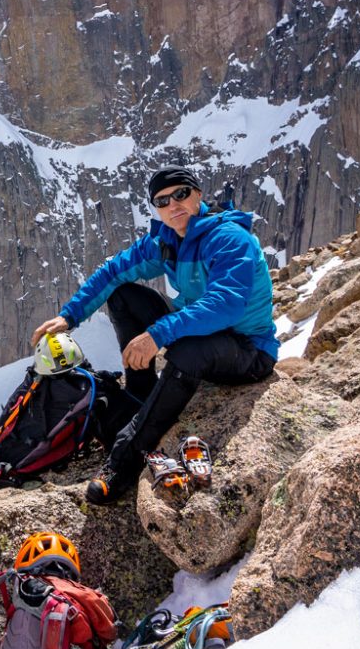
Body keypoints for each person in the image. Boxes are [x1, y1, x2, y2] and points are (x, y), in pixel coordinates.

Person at [31, 165, 278, 505]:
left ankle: (124, 460)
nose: (173, 205)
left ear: (198, 195)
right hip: (202, 338)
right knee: (124, 296)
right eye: (162, 201)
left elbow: (226, 305)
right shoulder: (166, 240)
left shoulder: (228, 237)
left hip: (248, 350)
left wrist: (157, 334)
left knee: (187, 351)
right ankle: (141, 395)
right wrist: (68, 315)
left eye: (180, 194)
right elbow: (114, 271)